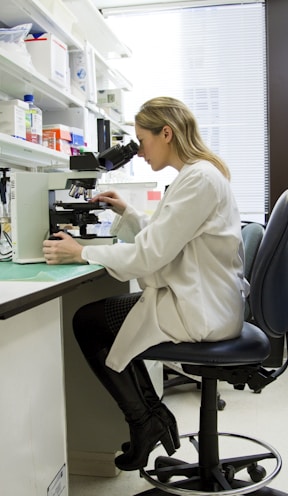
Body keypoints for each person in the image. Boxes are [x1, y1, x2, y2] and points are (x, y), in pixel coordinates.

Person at [43, 96, 247, 471]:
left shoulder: (198, 179)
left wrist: (81, 252)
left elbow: (151, 255)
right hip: (202, 298)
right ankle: (150, 416)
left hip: (201, 308)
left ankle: (145, 420)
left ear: (166, 133)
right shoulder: (196, 175)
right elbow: (166, 238)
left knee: (89, 323)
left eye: (142, 139)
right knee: (108, 322)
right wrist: (130, 213)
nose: (139, 152)